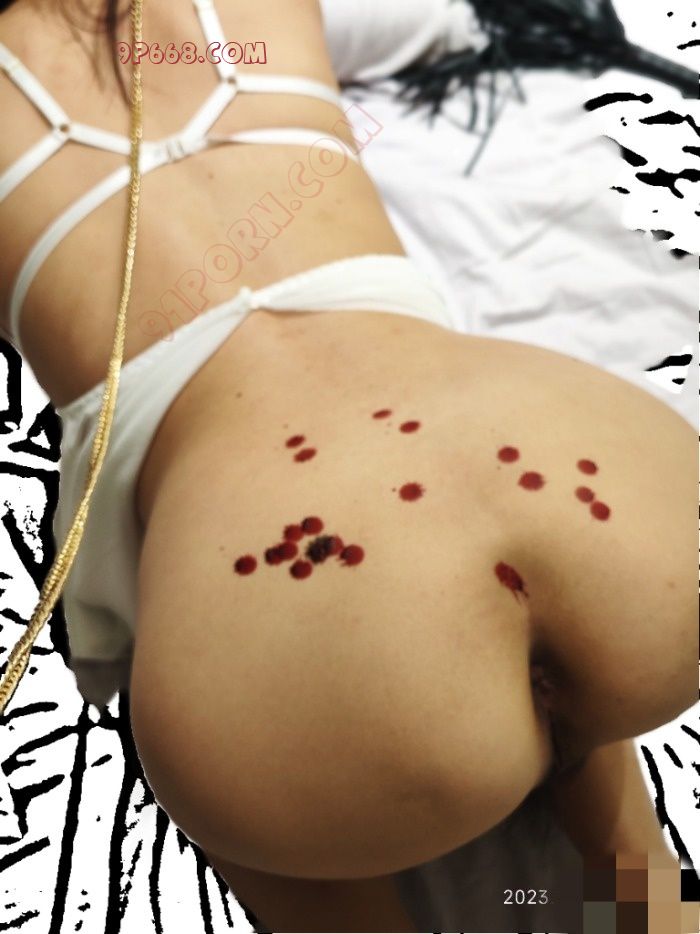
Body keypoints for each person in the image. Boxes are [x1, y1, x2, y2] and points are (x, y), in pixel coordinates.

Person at [0, 0, 694, 930]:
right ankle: (634, 883)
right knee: (621, 851)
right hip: (589, 489)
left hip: (269, 591)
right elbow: (439, 23)